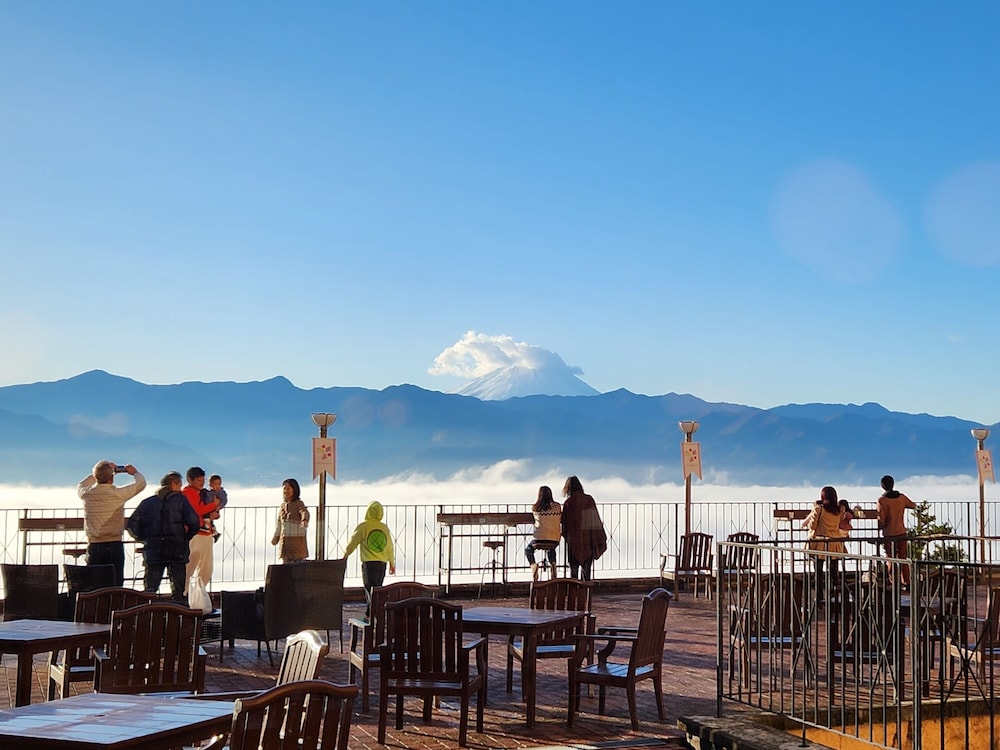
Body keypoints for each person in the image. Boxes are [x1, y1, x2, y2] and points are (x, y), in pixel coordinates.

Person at [127, 472, 201, 600]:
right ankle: (178, 615)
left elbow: (132, 525)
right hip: (177, 549)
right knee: (178, 589)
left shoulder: (147, 502)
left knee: (150, 589)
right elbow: (194, 522)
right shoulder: (181, 500)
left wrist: (144, 539)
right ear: (173, 485)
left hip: (154, 550)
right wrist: (185, 537)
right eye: (179, 485)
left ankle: (148, 615)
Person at [77, 460, 147, 587]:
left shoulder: (86, 494)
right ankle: (115, 606)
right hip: (114, 544)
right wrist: (134, 473)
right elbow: (141, 484)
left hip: (94, 544)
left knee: (94, 585)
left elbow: (81, 484)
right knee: (115, 584)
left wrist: (99, 473)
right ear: (112, 478)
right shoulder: (118, 494)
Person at [345, 500, 396, 614]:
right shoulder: (384, 527)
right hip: (382, 563)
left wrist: (345, 556)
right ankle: (373, 613)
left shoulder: (363, 527)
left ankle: (373, 614)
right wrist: (392, 563)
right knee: (378, 589)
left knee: (370, 590)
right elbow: (389, 547)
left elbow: (352, 543)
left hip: (369, 563)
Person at [802, 486, 847, 602]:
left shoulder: (819, 509)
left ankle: (820, 596)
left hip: (820, 543)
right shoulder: (840, 510)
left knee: (818, 571)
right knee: (833, 571)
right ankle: (835, 594)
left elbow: (812, 525)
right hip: (835, 543)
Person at [182, 466, 221, 596]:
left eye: (202, 480)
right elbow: (197, 510)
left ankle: (198, 594)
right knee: (190, 565)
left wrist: (213, 513)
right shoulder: (187, 493)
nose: (201, 483)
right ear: (190, 480)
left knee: (206, 568)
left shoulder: (202, 493)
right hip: (196, 534)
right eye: (198, 480)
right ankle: (185, 593)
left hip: (207, 533)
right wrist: (213, 505)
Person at [560, 475, 607, 582]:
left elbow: (565, 525)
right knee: (587, 571)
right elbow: (595, 520)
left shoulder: (569, 503)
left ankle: (574, 594)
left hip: (574, 542)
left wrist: (568, 536)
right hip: (589, 541)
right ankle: (586, 595)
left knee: (574, 572)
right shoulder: (589, 500)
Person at [877, 474, 917, 586]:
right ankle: (906, 581)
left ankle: (893, 581)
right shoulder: (901, 497)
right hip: (902, 532)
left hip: (889, 533)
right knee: (903, 558)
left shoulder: (882, 500)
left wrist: (879, 525)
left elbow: (882, 520)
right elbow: (913, 505)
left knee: (891, 557)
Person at [525, 485, 562, 578]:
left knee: (528, 550)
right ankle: (553, 565)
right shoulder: (557, 506)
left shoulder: (535, 507)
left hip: (538, 539)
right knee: (551, 548)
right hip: (554, 538)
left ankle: (533, 565)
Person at [270, 478, 309, 563]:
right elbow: (279, 525)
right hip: (285, 547)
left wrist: (304, 520)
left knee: (297, 570)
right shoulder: (283, 506)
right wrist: (275, 538)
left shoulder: (299, 503)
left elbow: (304, 511)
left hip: (297, 547)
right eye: (284, 489)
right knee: (285, 570)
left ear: (294, 490)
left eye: (288, 488)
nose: (285, 491)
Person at [206, 474, 228, 542]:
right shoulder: (208, 493)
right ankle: (214, 533)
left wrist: (219, 507)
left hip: (215, 509)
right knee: (209, 521)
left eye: (219, 484)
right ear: (210, 484)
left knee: (210, 521)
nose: (217, 486)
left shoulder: (221, 493)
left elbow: (224, 500)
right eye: (215, 484)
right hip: (209, 509)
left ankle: (214, 533)